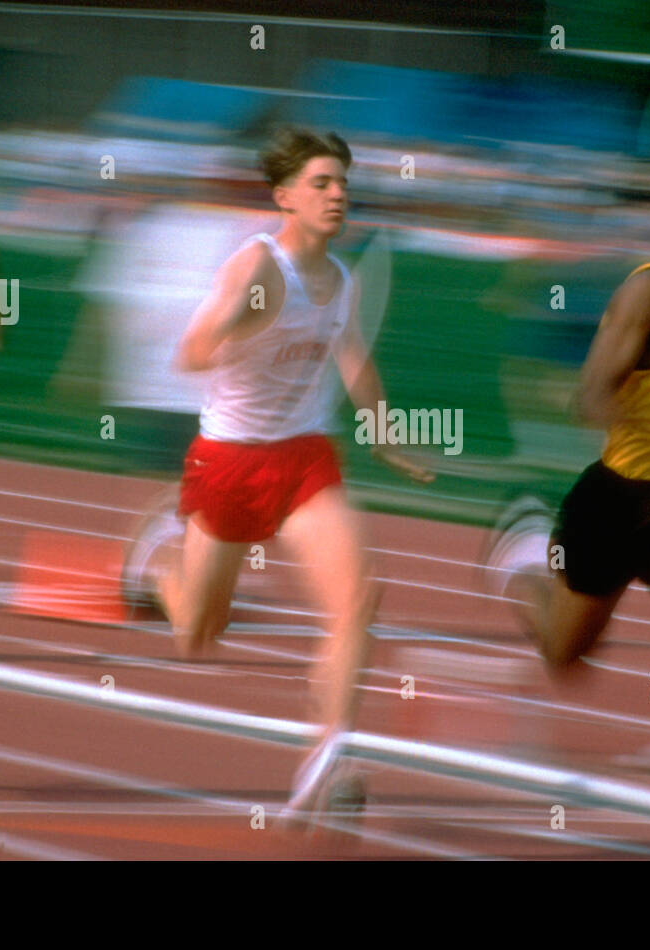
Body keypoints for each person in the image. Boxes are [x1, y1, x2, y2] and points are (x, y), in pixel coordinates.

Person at [155, 127, 431, 820]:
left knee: (358, 600)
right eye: (322, 182)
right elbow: (189, 353)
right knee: (197, 637)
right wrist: (231, 333)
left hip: (304, 458)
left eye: (343, 183)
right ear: (285, 197)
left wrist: (385, 435)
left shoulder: (338, 278)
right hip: (228, 463)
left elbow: (354, 359)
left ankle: (329, 756)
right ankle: (158, 567)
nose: (338, 194)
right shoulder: (257, 268)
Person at [486, 169, 650, 850]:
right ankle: (522, 560)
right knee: (565, 657)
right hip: (614, 503)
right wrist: (630, 425)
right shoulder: (647, 293)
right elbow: (590, 396)